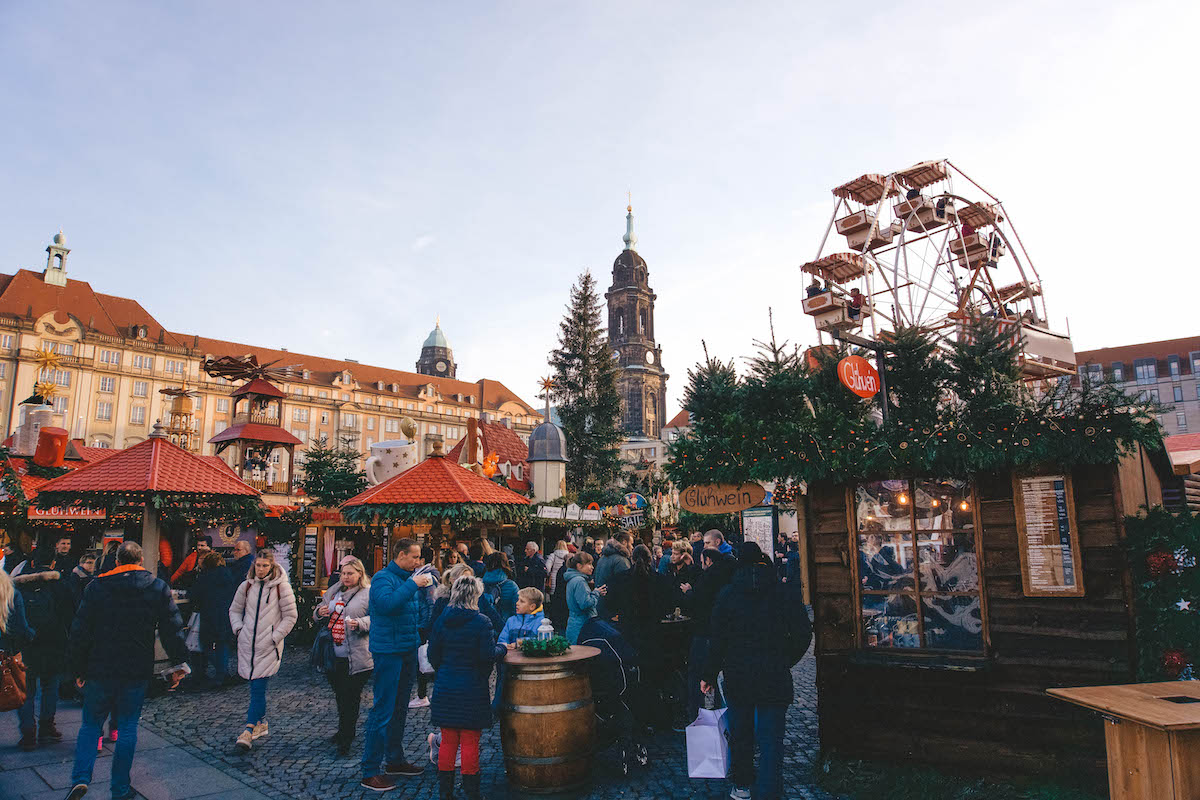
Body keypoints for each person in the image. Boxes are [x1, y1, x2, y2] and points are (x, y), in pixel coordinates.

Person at [65, 542, 189, 800]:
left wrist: (77, 667)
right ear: (141, 559)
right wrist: (180, 663)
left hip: (99, 665)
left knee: (90, 725)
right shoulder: (156, 587)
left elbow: (80, 631)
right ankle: (120, 788)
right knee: (128, 726)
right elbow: (172, 629)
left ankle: (80, 778)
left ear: (117, 560)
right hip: (136, 667)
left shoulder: (96, 587)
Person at [702, 543, 812, 800]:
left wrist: (708, 673)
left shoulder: (728, 594)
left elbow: (717, 639)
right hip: (773, 673)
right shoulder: (781, 592)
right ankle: (770, 790)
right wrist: (785, 659)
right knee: (771, 738)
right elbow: (803, 633)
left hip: (738, 674)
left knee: (741, 734)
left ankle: (742, 785)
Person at [360, 538, 434, 791]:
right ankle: (370, 770)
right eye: (414, 557)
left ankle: (394, 760)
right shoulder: (383, 578)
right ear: (400, 555)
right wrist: (413, 584)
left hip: (406, 649)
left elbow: (413, 611)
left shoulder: (407, 577)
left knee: (400, 708)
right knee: (383, 709)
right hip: (388, 651)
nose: (418, 562)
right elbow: (386, 605)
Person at [429, 574, 502, 800]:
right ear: (476, 596)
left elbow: (433, 655)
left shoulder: (442, 619)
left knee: (448, 740)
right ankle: (472, 793)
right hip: (472, 687)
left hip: (446, 685)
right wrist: (503, 649)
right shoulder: (481, 621)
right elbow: (487, 655)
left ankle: (446, 793)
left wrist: (445, 670)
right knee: (470, 741)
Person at [228, 549, 297, 752]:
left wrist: (274, 637)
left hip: (268, 646)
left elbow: (291, 616)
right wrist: (239, 629)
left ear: (272, 566)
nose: (261, 569)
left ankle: (248, 730)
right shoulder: (246, 586)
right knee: (255, 686)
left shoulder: (281, 588)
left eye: (265, 565)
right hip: (248, 644)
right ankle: (261, 722)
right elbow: (234, 609)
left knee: (257, 687)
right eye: (258, 565)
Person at [13, 549, 75, 750]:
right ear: (53, 563)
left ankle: (28, 732)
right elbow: (70, 615)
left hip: (26, 644)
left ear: (32, 564)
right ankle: (47, 726)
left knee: (26, 690)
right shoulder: (60, 586)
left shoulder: (19, 588)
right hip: (54, 644)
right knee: (50, 687)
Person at [315, 557, 373, 756]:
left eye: (350, 573)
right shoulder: (334, 590)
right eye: (344, 573)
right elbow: (320, 610)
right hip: (334, 652)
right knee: (340, 695)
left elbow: (377, 618)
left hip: (357, 654)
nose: (346, 577)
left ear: (360, 574)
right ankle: (343, 730)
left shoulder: (367, 593)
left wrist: (362, 623)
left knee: (351, 696)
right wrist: (318, 612)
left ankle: (347, 737)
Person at [687, 546, 738, 723]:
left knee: (701, 676)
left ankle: (703, 714)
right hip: (722, 638)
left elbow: (697, 603)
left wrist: (689, 593)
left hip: (704, 633)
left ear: (708, 561)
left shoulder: (708, 578)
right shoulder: (730, 578)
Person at [189, 551, 237, 688]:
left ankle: (221, 672)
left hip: (209, 614)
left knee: (206, 645)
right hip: (226, 614)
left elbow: (194, 595)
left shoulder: (205, 577)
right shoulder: (228, 574)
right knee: (223, 644)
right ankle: (222, 673)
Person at [431, 564, 502, 636]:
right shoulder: (442, 601)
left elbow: (494, 618)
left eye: (470, 580)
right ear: (452, 580)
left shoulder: (479, 598)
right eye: (463, 580)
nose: (467, 584)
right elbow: (433, 628)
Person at [410, 545, 440, 710]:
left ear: (422, 559)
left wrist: (427, 625)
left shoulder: (426, 577)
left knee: (422, 659)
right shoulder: (419, 575)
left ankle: (423, 695)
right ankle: (422, 694)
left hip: (423, 624)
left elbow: (431, 602)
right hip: (420, 622)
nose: (414, 560)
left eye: (417, 557)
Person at [563, 552, 604, 644]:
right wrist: (596, 593)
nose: (592, 567)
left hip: (574, 624)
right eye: (589, 564)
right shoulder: (579, 581)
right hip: (582, 625)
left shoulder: (572, 579)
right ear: (579, 566)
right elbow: (585, 604)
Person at [593, 531, 632, 619]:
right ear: (625, 542)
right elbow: (624, 587)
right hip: (614, 609)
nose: (632, 547)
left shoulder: (603, 558)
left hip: (601, 605)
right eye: (631, 543)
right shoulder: (621, 561)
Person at [481, 552, 519, 626]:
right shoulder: (511, 586)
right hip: (505, 625)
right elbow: (517, 610)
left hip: (485, 625)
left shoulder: (480, 585)